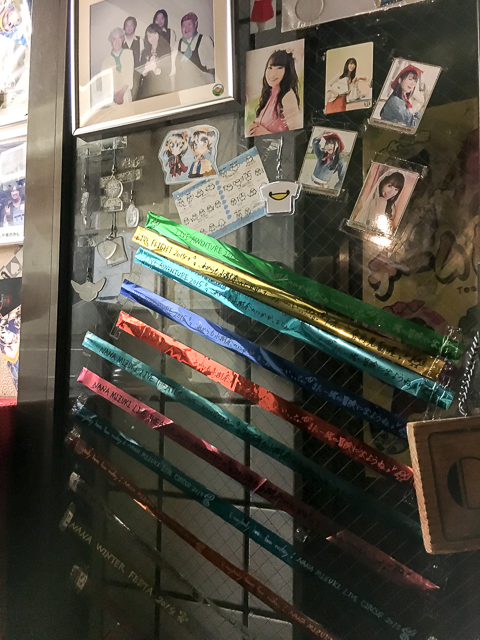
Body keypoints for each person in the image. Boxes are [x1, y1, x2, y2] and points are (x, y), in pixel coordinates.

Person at [249, 49, 301, 135]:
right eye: (270, 68)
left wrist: (264, 133)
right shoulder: (269, 95)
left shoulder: (288, 96)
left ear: (287, 71)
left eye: (279, 68)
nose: (273, 73)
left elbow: (295, 135)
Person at [353, 171, 406, 236]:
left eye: (396, 189)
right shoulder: (382, 201)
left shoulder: (376, 200)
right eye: (390, 186)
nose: (391, 192)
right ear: (382, 183)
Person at [175, 12, 215, 91]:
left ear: (195, 24)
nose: (186, 28)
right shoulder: (177, 44)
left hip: (201, 88)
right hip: (183, 90)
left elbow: (212, 67)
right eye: (183, 26)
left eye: (189, 24)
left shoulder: (204, 40)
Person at [380, 64, 424, 128]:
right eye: (410, 79)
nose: (413, 84)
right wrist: (421, 112)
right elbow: (414, 124)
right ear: (400, 80)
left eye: (415, 81)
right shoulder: (396, 101)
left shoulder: (402, 99)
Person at [136, 23, 172, 100]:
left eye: (154, 34)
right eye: (149, 36)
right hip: (147, 86)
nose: (152, 38)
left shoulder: (166, 49)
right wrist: (145, 71)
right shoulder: (144, 52)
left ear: (159, 34)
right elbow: (140, 71)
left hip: (161, 85)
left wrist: (156, 69)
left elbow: (168, 68)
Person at [101, 27, 134, 106]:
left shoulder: (129, 54)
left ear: (123, 40)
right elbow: (106, 84)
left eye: (119, 38)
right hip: (113, 98)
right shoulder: (105, 62)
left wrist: (121, 94)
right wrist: (115, 96)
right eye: (114, 39)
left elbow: (129, 77)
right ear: (111, 42)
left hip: (125, 95)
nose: (117, 42)